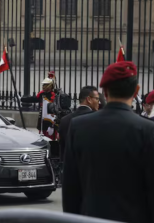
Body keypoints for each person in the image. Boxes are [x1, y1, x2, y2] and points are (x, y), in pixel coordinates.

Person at [62, 61, 154, 223]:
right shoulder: (148, 130)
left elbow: (70, 188)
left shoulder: (78, 126)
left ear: (104, 91)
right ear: (136, 90)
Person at [58, 86, 98, 161]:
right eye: (96, 99)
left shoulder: (64, 120)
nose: (98, 102)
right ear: (88, 99)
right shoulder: (97, 119)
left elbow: (63, 150)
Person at [36, 71, 57, 140]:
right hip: (42, 119)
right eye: (43, 85)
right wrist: (22, 99)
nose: (43, 86)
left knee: (51, 138)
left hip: (50, 119)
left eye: (45, 85)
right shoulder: (41, 94)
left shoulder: (54, 95)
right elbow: (35, 99)